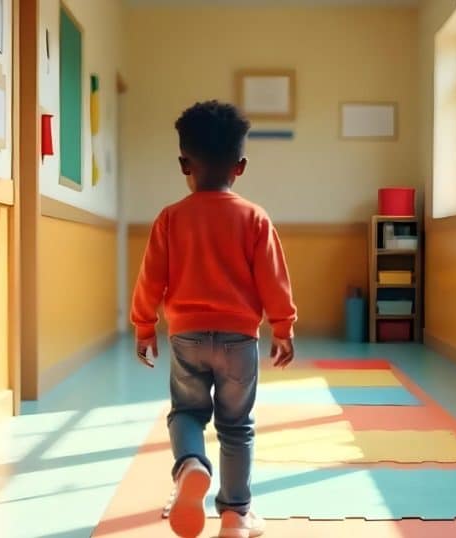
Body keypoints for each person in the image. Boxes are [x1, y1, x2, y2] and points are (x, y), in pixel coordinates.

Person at [130, 100, 297, 538]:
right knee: (236, 426)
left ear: (184, 162)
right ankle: (235, 514)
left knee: (186, 411)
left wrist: (144, 325)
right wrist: (283, 327)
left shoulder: (170, 219)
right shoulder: (255, 219)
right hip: (239, 341)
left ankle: (189, 466)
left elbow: (151, 279)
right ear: (240, 167)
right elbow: (273, 280)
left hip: (186, 337)